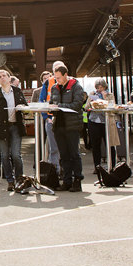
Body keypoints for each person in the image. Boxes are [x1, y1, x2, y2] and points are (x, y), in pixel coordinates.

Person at [49, 63, 86, 191]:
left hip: (72, 125)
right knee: (63, 154)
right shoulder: (54, 87)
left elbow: (77, 104)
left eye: (59, 77)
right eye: (55, 78)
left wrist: (60, 106)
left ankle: (77, 180)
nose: (57, 80)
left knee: (74, 154)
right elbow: (52, 103)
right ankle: (66, 180)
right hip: (58, 125)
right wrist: (51, 108)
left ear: (66, 75)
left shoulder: (76, 87)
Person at [0, 69, 27, 192]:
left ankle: (19, 179)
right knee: (4, 156)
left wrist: (21, 107)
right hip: (2, 129)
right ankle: (10, 181)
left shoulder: (17, 91)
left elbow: (25, 105)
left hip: (16, 126)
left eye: (3, 75)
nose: (2, 78)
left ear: (9, 78)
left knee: (16, 155)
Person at [86, 79, 112, 173]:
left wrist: (105, 98)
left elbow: (112, 106)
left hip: (105, 121)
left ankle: (112, 165)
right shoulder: (93, 94)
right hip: (93, 121)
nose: (99, 89)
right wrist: (90, 98)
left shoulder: (110, 95)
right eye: (98, 87)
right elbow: (86, 107)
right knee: (95, 145)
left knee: (109, 144)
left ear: (105, 87)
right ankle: (97, 166)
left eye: (101, 87)